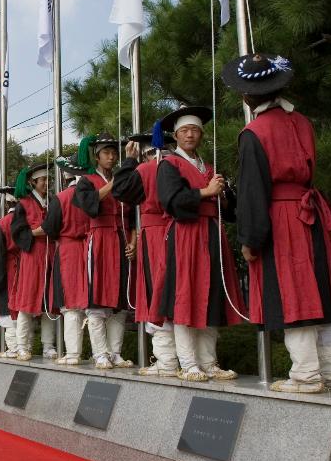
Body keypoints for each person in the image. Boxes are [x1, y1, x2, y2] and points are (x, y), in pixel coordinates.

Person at [225, 53, 331, 394]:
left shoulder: (254, 132)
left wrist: (250, 239)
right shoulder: (302, 122)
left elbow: (254, 191)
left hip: (282, 216)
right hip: (309, 213)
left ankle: (307, 375)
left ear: (247, 95)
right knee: (322, 293)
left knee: (293, 293)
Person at [153, 106, 242, 382]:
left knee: (211, 296)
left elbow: (228, 210)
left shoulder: (210, 167)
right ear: (176, 136)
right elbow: (171, 201)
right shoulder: (169, 165)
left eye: (194, 131)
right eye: (184, 131)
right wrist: (206, 192)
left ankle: (209, 361)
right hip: (185, 235)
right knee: (185, 297)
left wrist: (223, 195)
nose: (190, 135)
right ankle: (189, 363)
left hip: (211, 235)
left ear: (201, 135)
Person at [113, 133, 180, 377]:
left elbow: (121, 190)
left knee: (157, 296)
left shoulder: (147, 169)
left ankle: (167, 361)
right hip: (175, 233)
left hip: (155, 235)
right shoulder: (180, 165)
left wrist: (129, 162)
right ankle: (183, 360)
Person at [73, 134, 134, 371]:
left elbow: (131, 214)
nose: (111, 156)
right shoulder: (86, 181)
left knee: (120, 300)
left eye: (114, 152)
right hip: (98, 239)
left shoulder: (121, 178)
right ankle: (100, 353)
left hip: (120, 238)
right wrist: (113, 184)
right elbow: (88, 205)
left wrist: (133, 241)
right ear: (96, 156)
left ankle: (115, 352)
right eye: (106, 153)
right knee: (97, 300)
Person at [43, 161, 89, 365]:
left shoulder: (60, 198)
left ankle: (73, 353)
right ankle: (102, 354)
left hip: (68, 250)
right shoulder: (92, 195)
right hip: (90, 247)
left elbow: (50, 228)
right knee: (94, 304)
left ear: (65, 179)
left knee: (70, 304)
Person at [11, 166, 58, 363]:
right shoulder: (24, 204)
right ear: (33, 183)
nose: (46, 183)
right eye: (42, 180)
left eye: (48, 179)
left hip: (51, 254)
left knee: (49, 302)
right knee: (27, 301)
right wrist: (39, 231)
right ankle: (23, 346)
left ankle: (48, 346)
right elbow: (18, 232)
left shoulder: (53, 202)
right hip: (32, 256)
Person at [0, 187, 20, 358]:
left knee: (7, 307)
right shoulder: (28, 219)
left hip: (8, 269)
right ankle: (24, 346)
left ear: (7, 203)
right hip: (26, 266)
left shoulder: (3, 223)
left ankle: (13, 348)